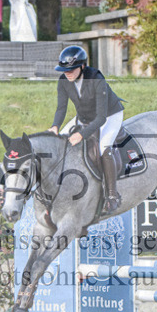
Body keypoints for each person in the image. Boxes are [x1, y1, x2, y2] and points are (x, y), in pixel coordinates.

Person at [48, 45, 125, 212]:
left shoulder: (96, 79)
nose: (67, 73)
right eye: (64, 69)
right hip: (84, 116)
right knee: (59, 140)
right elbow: (61, 108)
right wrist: (55, 126)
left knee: (104, 147)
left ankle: (112, 195)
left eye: (71, 69)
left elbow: (101, 118)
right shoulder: (63, 81)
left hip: (110, 115)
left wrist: (81, 135)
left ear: (82, 66)